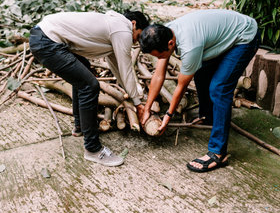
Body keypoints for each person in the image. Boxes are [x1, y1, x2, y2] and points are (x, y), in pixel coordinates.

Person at [140, 9, 260, 173]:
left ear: (170, 44)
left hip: (245, 36)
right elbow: (158, 75)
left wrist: (167, 116)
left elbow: (181, 87)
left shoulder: (189, 46)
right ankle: (208, 117)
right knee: (202, 73)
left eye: (161, 56)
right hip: (227, 32)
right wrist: (147, 109)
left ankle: (218, 153)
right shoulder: (164, 33)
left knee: (219, 88)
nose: (161, 59)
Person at [29, 10, 149, 167]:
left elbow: (118, 68)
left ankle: (80, 126)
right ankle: (93, 149)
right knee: (90, 86)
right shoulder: (123, 29)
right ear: (133, 24)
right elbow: (126, 70)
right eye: (138, 36)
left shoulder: (115, 26)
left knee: (83, 71)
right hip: (48, 41)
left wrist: (133, 96)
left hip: (43, 36)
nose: (136, 42)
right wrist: (138, 103)